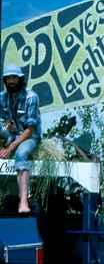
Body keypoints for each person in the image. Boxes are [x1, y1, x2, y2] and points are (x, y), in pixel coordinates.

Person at [0, 64, 42, 214]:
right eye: (8, 78)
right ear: (5, 80)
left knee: (21, 154)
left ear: (21, 79)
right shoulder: (2, 97)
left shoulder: (32, 97)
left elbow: (30, 130)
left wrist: (10, 147)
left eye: (14, 78)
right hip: (12, 133)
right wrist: (6, 127)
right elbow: (3, 121)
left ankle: (23, 202)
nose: (11, 81)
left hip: (29, 136)